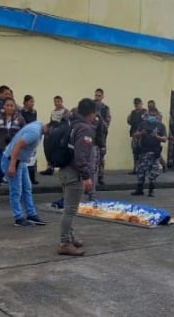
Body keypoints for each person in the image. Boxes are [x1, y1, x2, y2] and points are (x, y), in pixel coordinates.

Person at [57, 99, 97, 256]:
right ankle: (64, 243)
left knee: (68, 207)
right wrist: (86, 176)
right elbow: (81, 156)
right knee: (70, 210)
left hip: (65, 170)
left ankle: (69, 236)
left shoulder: (72, 124)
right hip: (74, 173)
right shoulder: (85, 129)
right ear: (92, 113)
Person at [2, 121, 49, 227]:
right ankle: (18, 217)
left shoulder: (39, 126)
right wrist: (12, 165)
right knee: (16, 190)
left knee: (27, 188)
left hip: (21, 161)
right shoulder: (35, 132)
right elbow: (17, 146)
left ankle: (31, 214)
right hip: (13, 160)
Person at [0, 97, 26, 203]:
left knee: (18, 172)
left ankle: (19, 194)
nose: (9, 107)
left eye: (11, 105)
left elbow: (25, 133)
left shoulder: (20, 119)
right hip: (2, 149)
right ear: (3, 106)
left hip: (16, 150)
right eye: (7, 105)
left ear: (14, 107)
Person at [131, 108, 167, 197]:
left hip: (154, 152)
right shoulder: (143, 124)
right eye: (150, 114)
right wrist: (141, 134)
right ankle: (139, 189)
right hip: (143, 151)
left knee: (153, 172)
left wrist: (156, 136)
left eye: (154, 114)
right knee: (141, 171)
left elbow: (165, 139)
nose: (152, 116)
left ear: (157, 115)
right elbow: (135, 135)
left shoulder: (161, 126)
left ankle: (151, 190)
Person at [40, 96, 69, 176]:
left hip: (62, 128)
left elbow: (65, 123)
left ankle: (57, 163)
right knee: (46, 140)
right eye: (55, 102)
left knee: (54, 137)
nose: (57, 103)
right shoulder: (53, 112)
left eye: (59, 101)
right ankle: (50, 165)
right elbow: (51, 122)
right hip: (53, 127)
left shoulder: (65, 111)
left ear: (62, 101)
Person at [94, 88, 111, 186]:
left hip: (101, 135)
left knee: (101, 155)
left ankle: (100, 176)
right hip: (91, 134)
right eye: (96, 95)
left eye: (99, 96)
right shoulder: (90, 105)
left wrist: (99, 116)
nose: (97, 97)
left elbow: (106, 125)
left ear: (102, 97)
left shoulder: (105, 109)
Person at [21, 95, 39, 185]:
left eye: (33, 102)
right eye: (31, 101)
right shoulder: (21, 112)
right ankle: (25, 178)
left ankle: (32, 178)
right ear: (25, 102)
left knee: (33, 158)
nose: (32, 103)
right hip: (24, 137)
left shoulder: (34, 112)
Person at [127, 97, 147, 174]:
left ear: (141, 103)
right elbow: (129, 121)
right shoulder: (133, 113)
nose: (137, 105)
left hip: (143, 136)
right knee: (135, 152)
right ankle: (135, 169)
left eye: (138, 103)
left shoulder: (145, 112)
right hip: (135, 135)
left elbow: (147, 123)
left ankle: (163, 164)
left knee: (144, 152)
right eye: (135, 104)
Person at [147, 100, 167, 171]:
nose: (150, 106)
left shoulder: (158, 113)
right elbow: (143, 119)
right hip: (148, 133)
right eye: (149, 105)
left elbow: (159, 122)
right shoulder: (147, 112)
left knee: (156, 153)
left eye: (151, 105)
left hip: (156, 134)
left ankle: (163, 164)